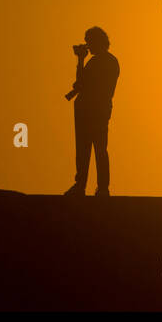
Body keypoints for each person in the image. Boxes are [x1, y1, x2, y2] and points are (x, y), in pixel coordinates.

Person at [63, 26, 119, 197]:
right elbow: (81, 82)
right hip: (89, 110)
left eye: (90, 42)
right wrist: (81, 60)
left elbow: (82, 82)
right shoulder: (101, 61)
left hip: (95, 110)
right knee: (86, 149)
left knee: (96, 149)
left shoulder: (105, 62)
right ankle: (87, 186)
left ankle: (97, 187)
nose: (88, 45)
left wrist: (80, 61)